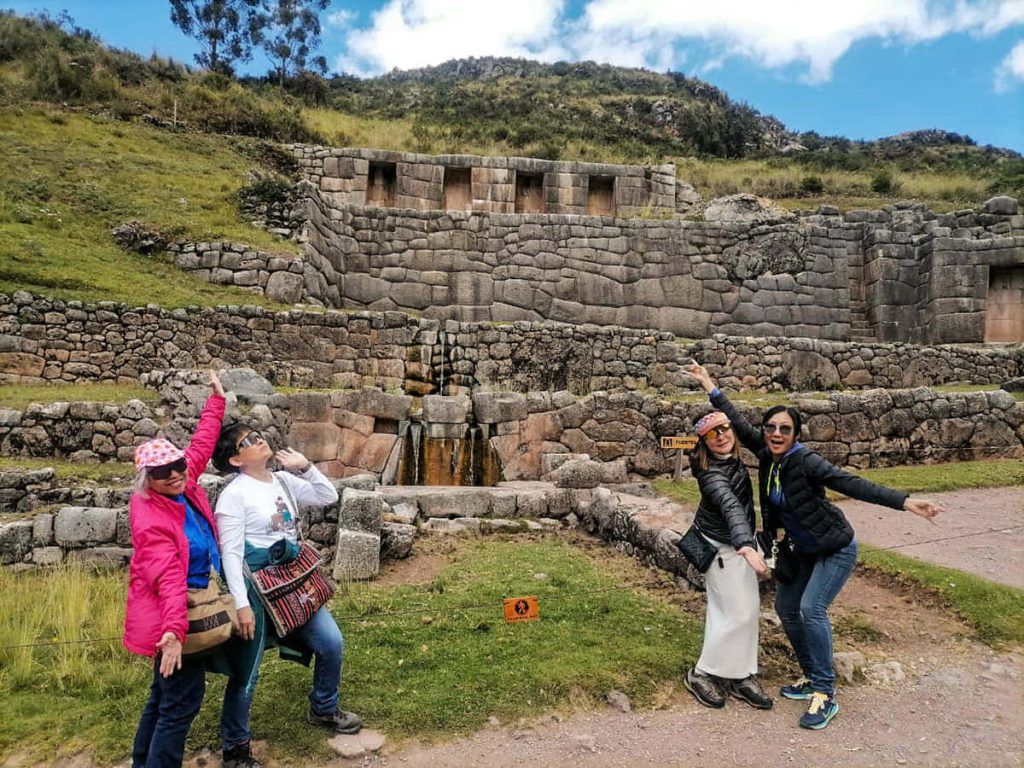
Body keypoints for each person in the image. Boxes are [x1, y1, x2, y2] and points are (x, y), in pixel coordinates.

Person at [685, 363, 942, 730]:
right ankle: (810, 675)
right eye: (770, 427)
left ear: (795, 434)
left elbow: (849, 483)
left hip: (834, 547)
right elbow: (734, 422)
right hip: (801, 549)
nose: (776, 433)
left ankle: (825, 692)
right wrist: (709, 385)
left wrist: (904, 502)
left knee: (811, 608)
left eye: (784, 429)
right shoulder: (765, 454)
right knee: (787, 607)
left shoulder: (805, 461)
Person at [212, 423, 361, 763]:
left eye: (256, 434)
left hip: (293, 580)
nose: (258, 439)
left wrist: (306, 467)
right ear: (236, 460)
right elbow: (231, 555)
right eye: (247, 441)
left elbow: (328, 496)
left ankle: (323, 707)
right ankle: (235, 746)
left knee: (331, 642)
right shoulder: (234, 496)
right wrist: (241, 604)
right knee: (246, 669)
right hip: (257, 587)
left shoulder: (282, 480)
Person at [124, 371, 226, 768]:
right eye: (163, 472)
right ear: (147, 479)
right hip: (177, 614)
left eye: (178, 465)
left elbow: (201, 444)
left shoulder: (184, 483)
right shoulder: (151, 517)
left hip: (185, 609)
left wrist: (216, 402)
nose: (175, 474)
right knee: (180, 704)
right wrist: (173, 633)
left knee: (162, 697)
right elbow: (167, 578)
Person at [683, 409, 773, 711]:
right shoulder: (711, 475)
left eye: (724, 429)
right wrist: (746, 545)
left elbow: (744, 423)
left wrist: (710, 387)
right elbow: (730, 506)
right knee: (734, 613)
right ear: (703, 442)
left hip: (737, 546)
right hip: (723, 549)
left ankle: (741, 674)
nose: (721, 437)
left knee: (748, 610)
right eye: (712, 434)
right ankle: (702, 673)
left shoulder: (733, 460)